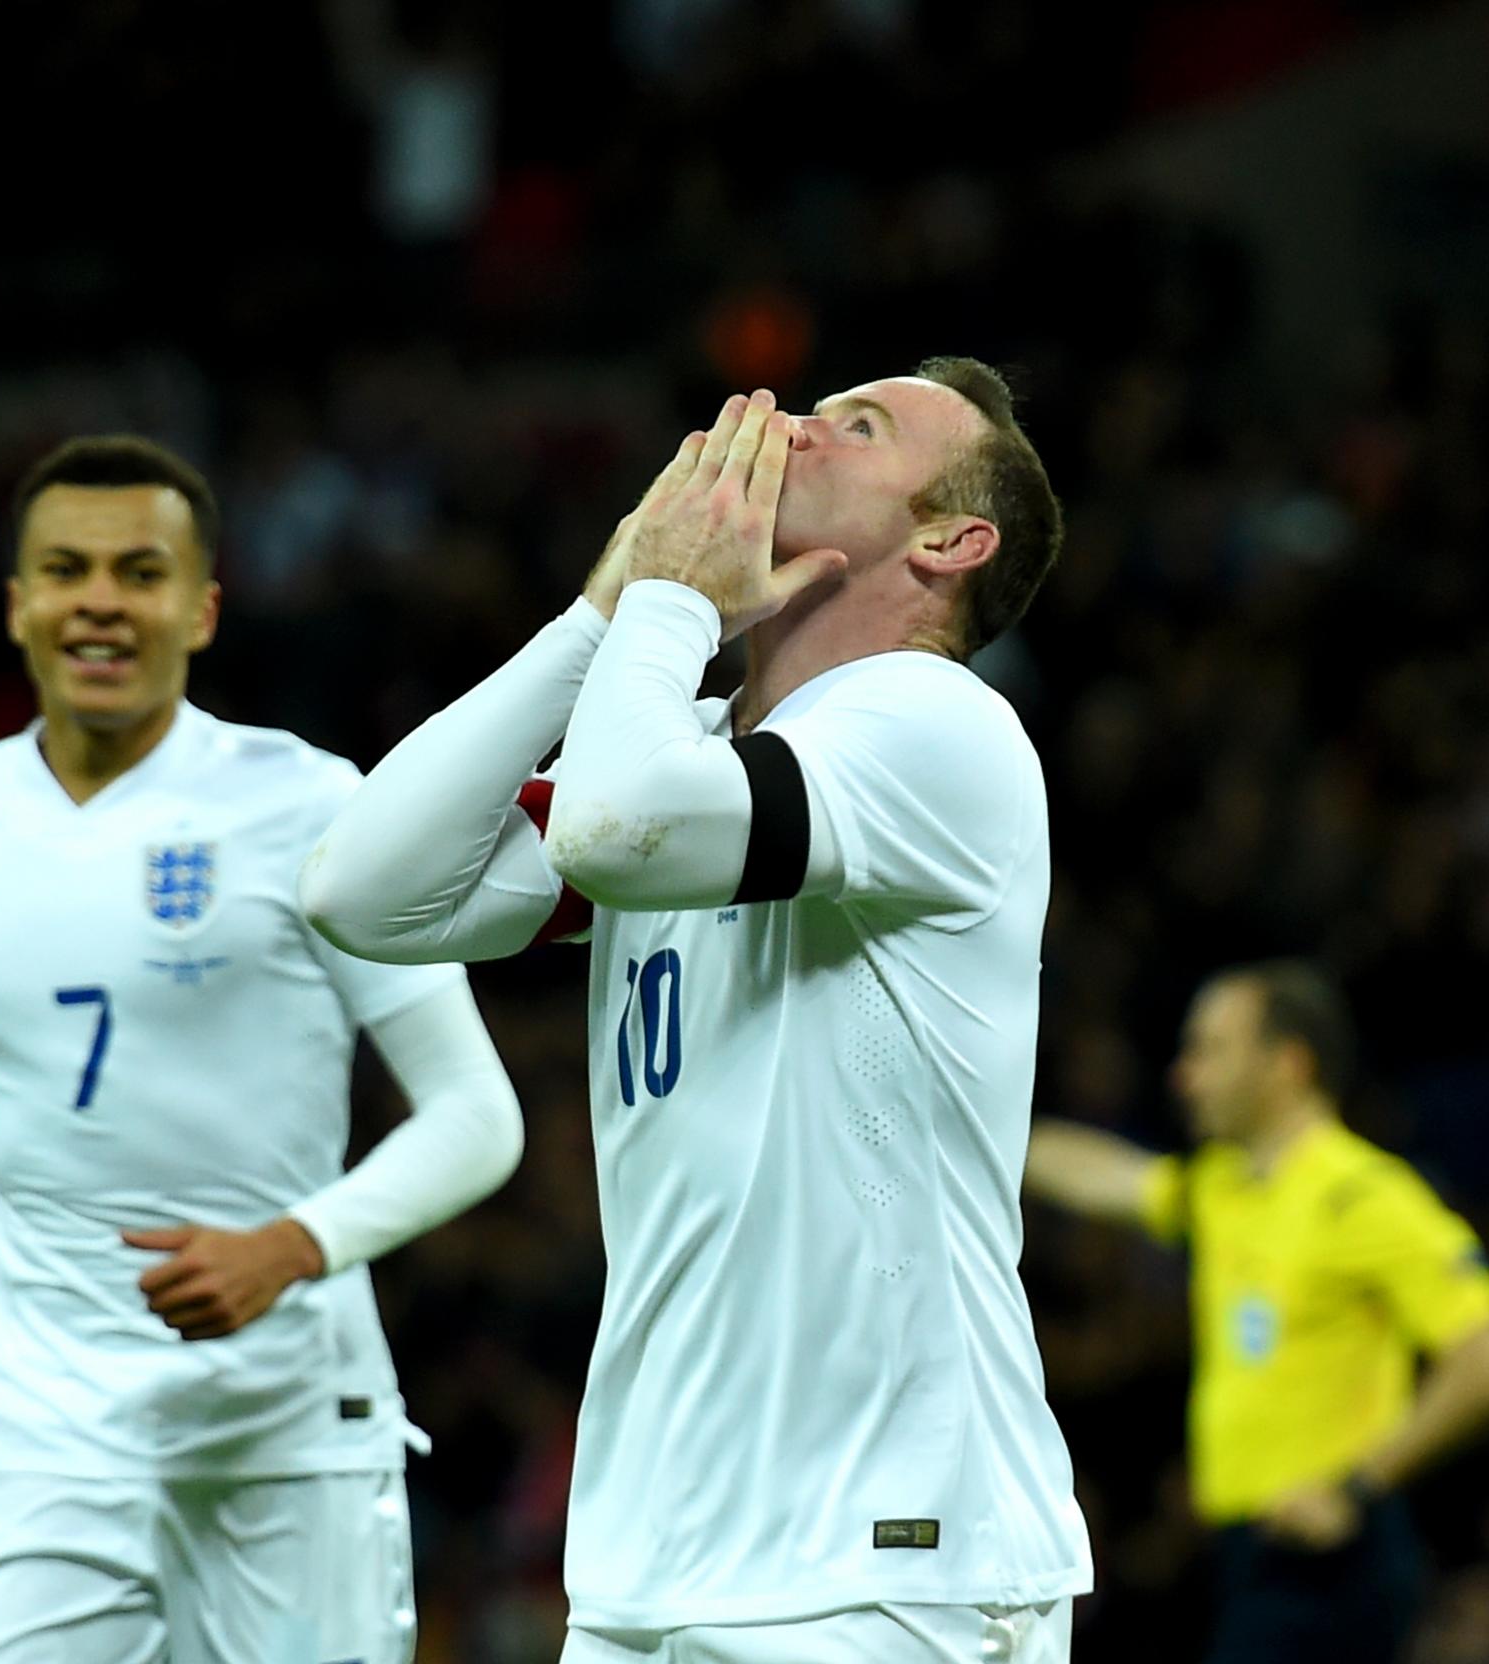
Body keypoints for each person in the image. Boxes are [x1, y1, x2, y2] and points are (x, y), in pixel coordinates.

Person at [300, 368, 1094, 1662]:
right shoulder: (692, 747)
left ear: (951, 540)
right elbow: (361, 887)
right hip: (655, 1565)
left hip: (884, 1568)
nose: (788, 423)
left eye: (860, 427)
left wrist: (667, 603)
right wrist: (601, 609)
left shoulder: (938, 727)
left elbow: (615, 826)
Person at [0, 435, 524, 1664]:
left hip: (285, 1431)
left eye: (140, 569)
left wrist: (291, 1246)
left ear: (203, 605)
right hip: (39, 1432)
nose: (103, 600)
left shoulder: (317, 806)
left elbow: (476, 1115)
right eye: (67, 569)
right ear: (18, 604)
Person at [1026, 961, 1489, 1664]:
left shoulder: (1365, 1196)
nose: (1185, 1075)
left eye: (1210, 1050)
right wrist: (984, 1132)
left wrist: (1357, 1487)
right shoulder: (1223, 1188)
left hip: (1330, 1559)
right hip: (1248, 1555)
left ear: (1288, 1065)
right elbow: (1105, 1177)